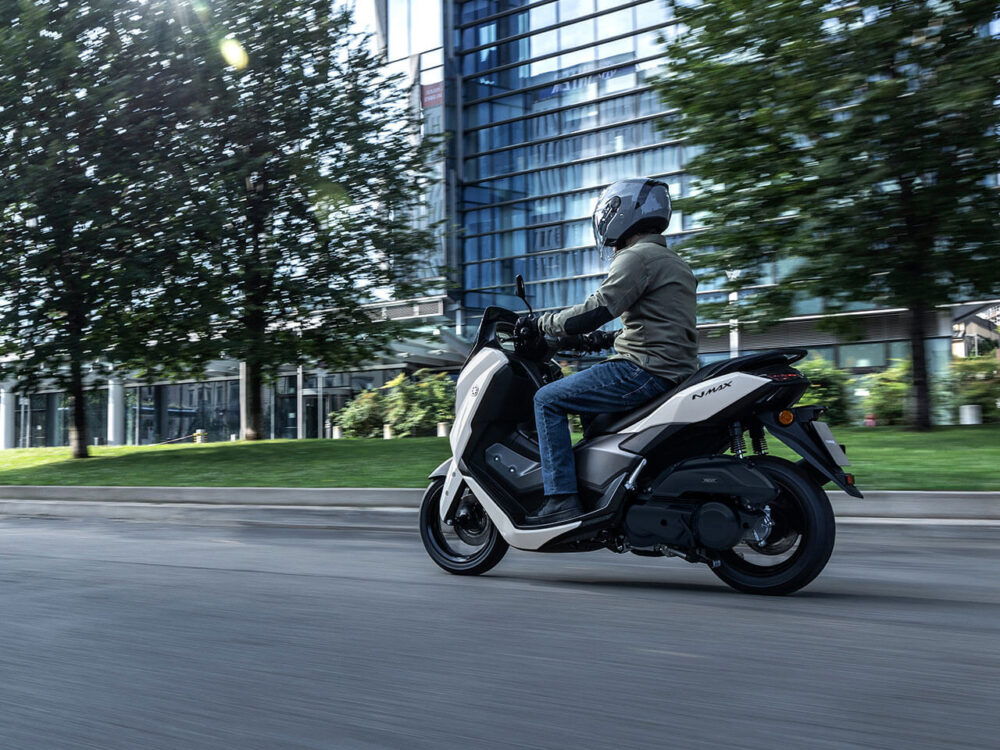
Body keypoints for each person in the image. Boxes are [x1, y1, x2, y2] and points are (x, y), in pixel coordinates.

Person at [517, 178, 699, 524]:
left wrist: (542, 324)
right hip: (672, 369)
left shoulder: (636, 257)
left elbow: (596, 309)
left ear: (622, 213)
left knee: (547, 399)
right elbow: (654, 323)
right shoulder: (673, 262)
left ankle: (561, 498)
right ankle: (605, 487)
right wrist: (598, 341)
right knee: (594, 412)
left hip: (643, 370)